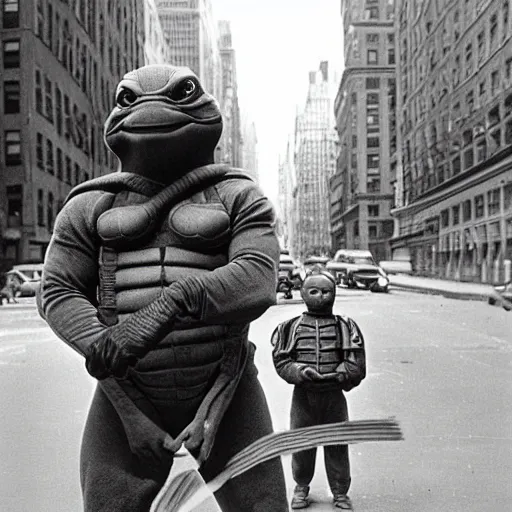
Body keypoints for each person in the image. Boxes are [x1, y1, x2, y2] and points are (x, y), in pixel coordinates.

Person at [39, 64, 288, 512]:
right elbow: (57, 291)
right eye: (129, 100)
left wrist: (168, 306)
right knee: (109, 504)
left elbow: (257, 278)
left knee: (263, 504)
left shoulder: (236, 194)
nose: (152, 109)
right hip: (126, 396)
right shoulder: (89, 204)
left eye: (180, 94)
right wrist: (110, 358)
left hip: (225, 389)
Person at [271, 265, 366, 510]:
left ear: (334, 294)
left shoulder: (346, 327)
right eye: (313, 290)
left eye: (326, 291)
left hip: (334, 397)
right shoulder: (289, 328)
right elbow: (282, 361)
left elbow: (356, 363)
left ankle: (340, 492)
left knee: (337, 445)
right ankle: (301, 488)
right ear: (302, 293)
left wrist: (341, 374)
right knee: (302, 445)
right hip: (304, 397)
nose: (320, 296)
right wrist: (300, 372)